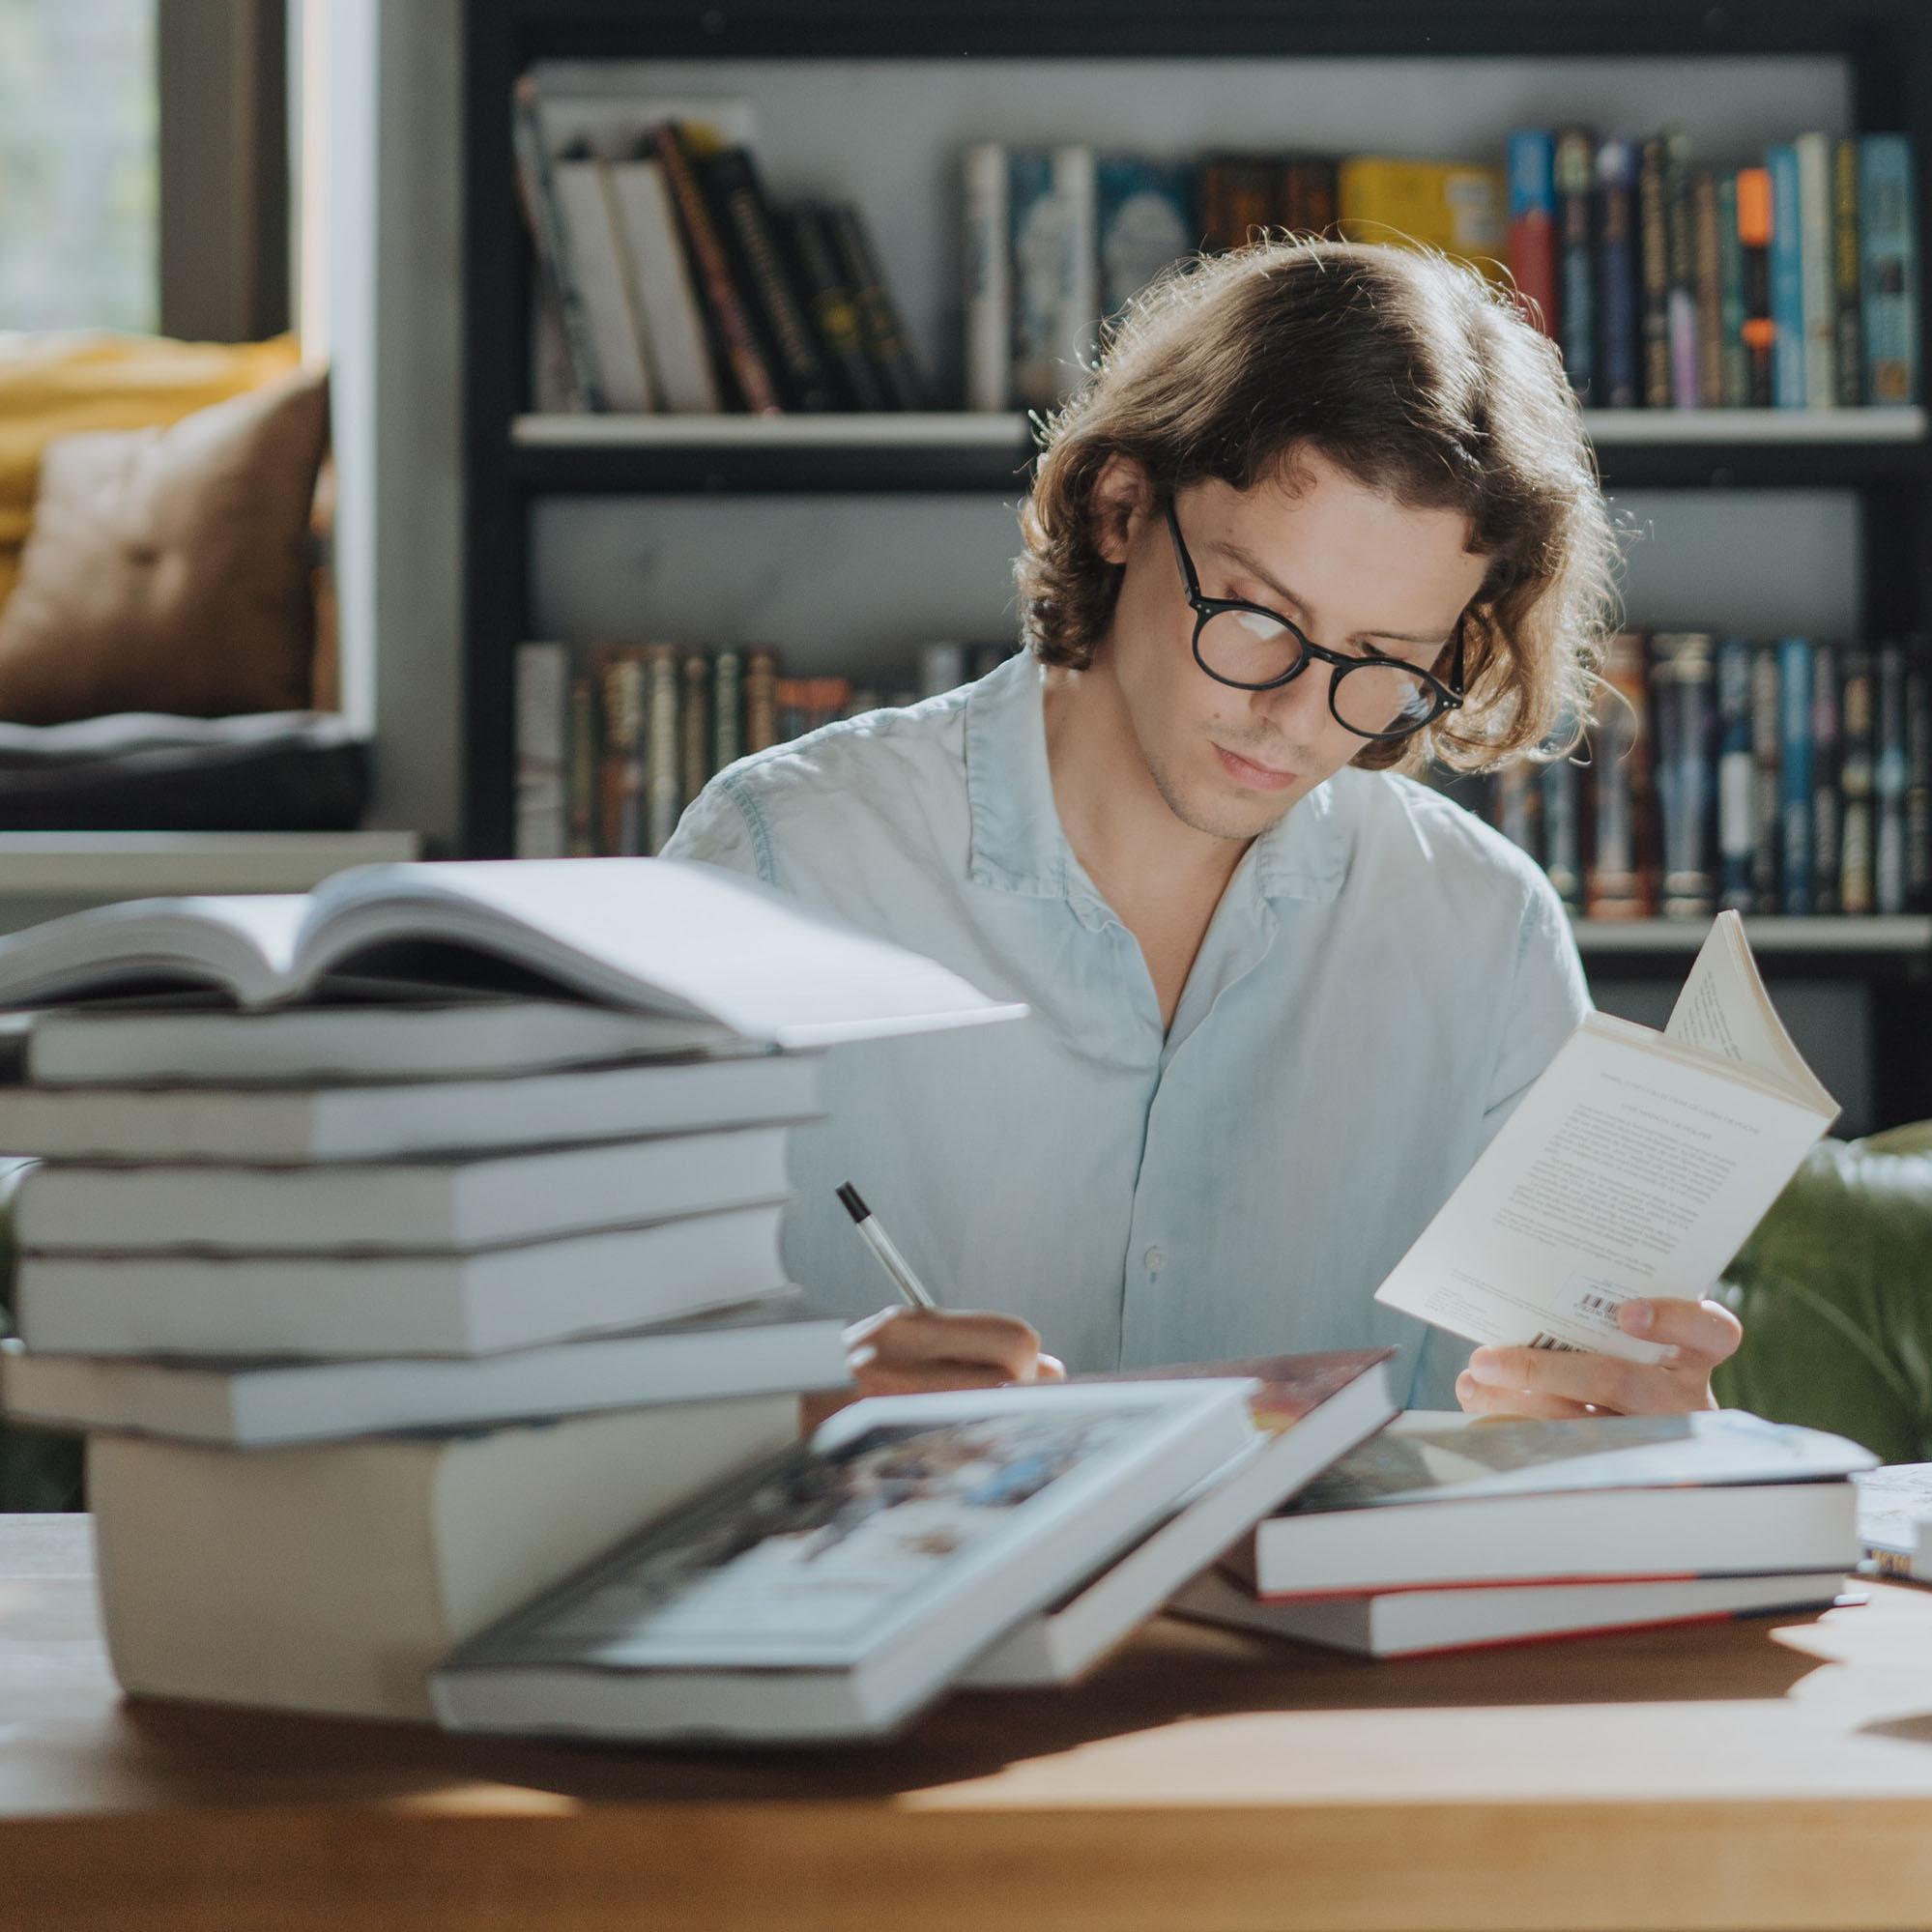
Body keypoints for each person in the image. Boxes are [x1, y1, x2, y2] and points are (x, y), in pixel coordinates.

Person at [664, 238, 1743, 1423]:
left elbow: (1535, 1447)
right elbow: (583, 1395)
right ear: (1121, 506)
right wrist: (790, 1407)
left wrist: (1624, 1421)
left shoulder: (1481, 934)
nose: (1289, 714)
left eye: (1383, 662)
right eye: (1256, 614)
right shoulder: (779, 861)